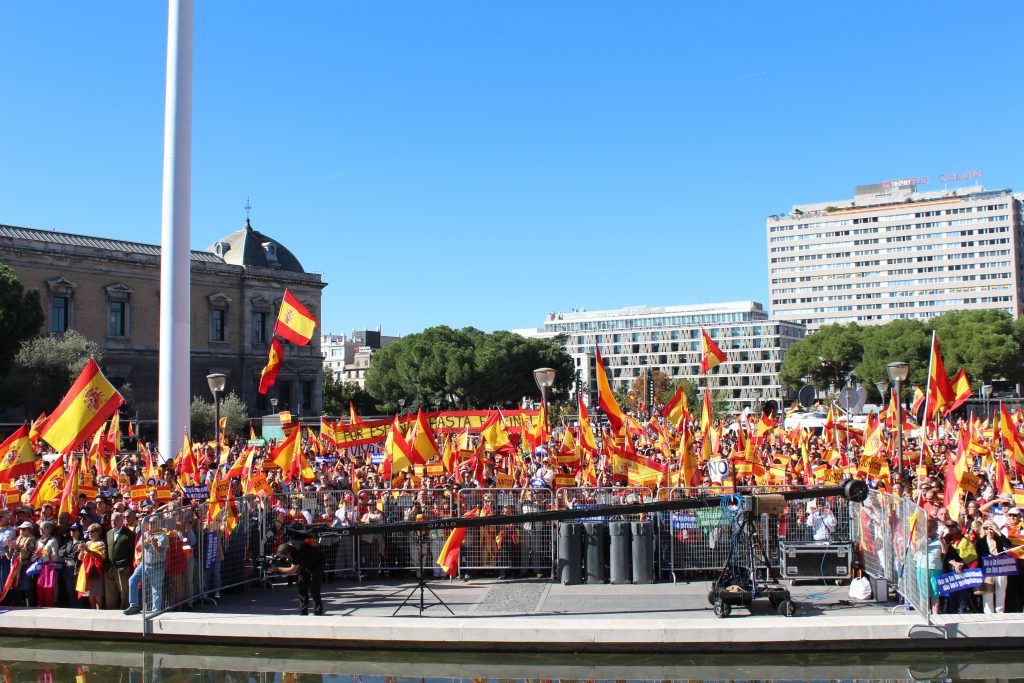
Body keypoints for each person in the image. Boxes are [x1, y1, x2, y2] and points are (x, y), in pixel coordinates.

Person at [268, 541, 325, 615]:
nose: (282, 558)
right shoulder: (290, 545)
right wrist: (300, 574)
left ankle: (318, 612)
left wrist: (276, 569)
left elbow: (292, 570)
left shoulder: (297, 554)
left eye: (283, 556)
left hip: (317, 563)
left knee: (314, 589)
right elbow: (299, 565)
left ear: (288, 554)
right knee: (301, 586)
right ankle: (303, 612)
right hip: (305, 564)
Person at [105, 511, 136, 610]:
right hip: (110, 568)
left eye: (116, 520)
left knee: (124, 591)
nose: (114, 522)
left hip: (123, 567)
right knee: (110, 591)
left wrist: (127, 565)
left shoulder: (129, 534)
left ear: (122, 521)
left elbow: (132, 552)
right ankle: (111, 609)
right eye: (112, 520)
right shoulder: (109, 533)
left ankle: (124, 608)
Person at [76, 524, 107, 610]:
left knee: (98, 594)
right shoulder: (88, 543)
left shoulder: (101, 543)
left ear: (98, 532)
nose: (90, 534)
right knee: (90, 595)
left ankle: (99, 612)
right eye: (88, 532)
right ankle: (93, 612)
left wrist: (87, 550)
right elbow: (80, 558)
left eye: (92, 531)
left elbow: (99, 557)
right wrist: (82, 550)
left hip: (96, 572)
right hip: (87, 572)